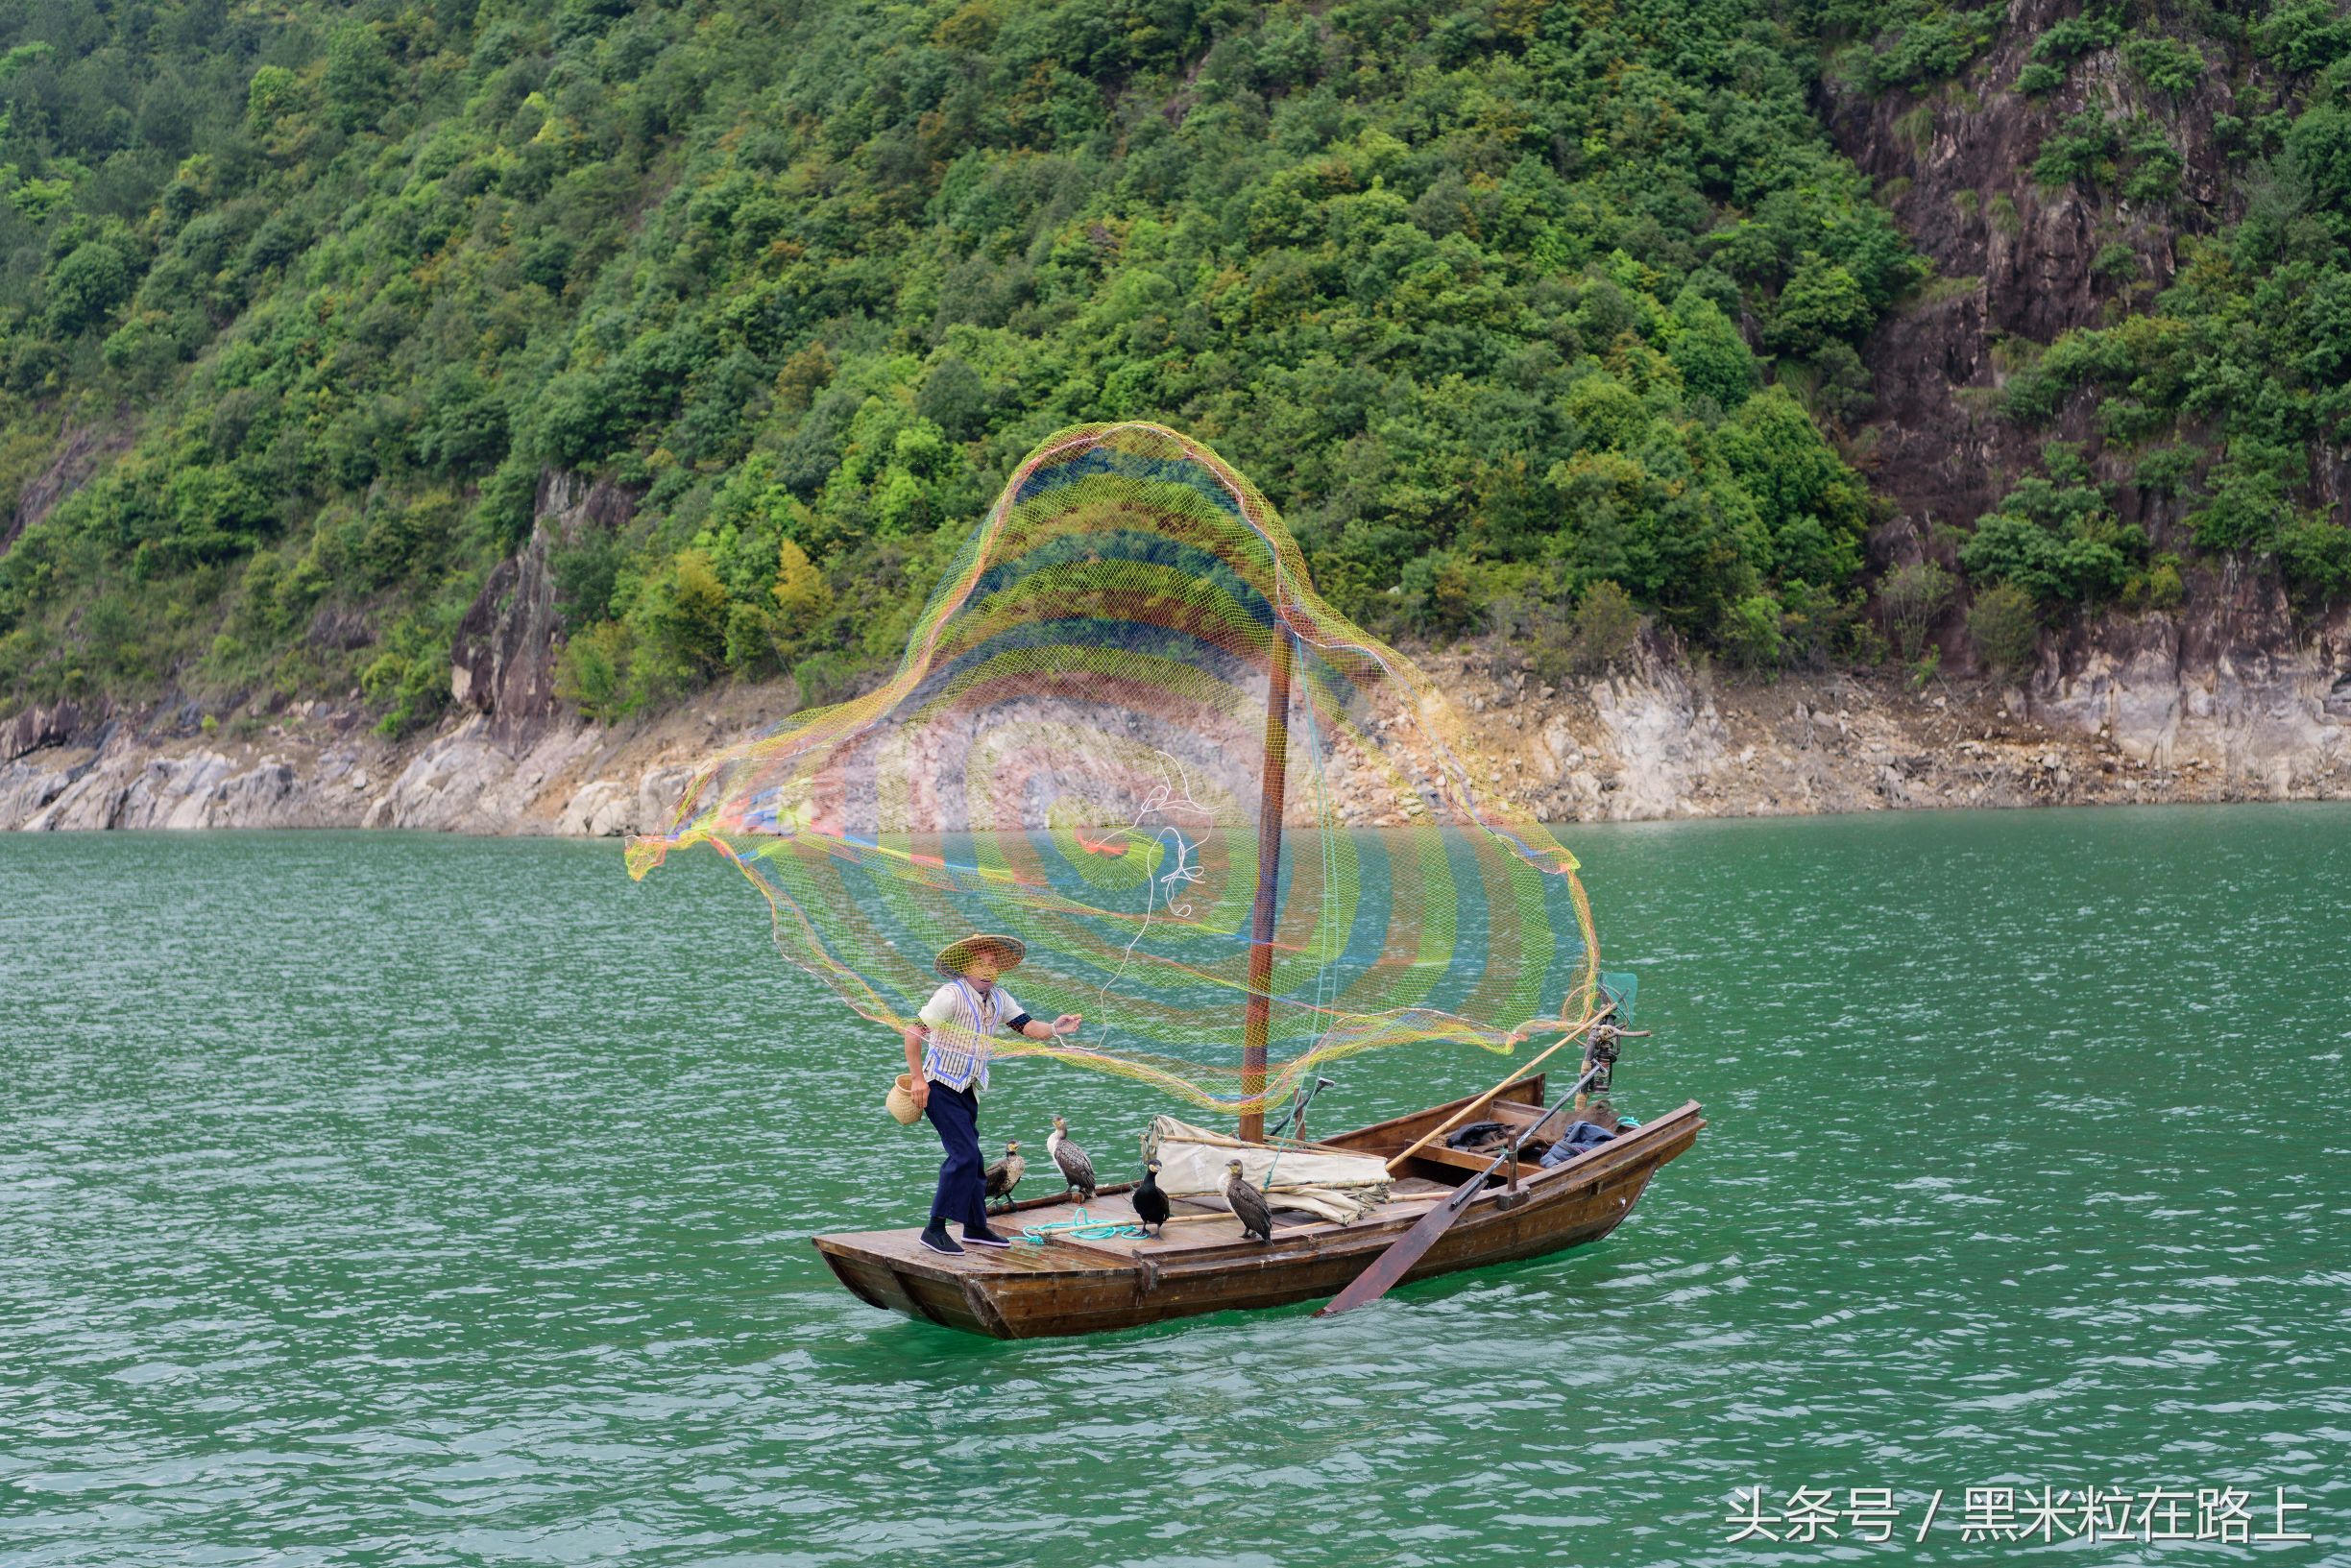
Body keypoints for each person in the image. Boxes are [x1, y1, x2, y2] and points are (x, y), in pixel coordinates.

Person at [903, 933, 1080, 1256]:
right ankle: (934, 1229)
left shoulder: (998, 999)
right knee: (964, 1157)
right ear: (965, 967)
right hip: (938, 1086)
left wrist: (1056, 1028)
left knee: (975, 1159)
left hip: (968, 1089)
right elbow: (913, 1032)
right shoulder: (950, 996)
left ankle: (974, 1226)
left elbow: (1028, 1027)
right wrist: (917, 1080)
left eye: (994, 964)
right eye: (980, 963)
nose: (988, 970)